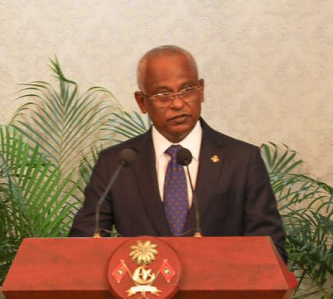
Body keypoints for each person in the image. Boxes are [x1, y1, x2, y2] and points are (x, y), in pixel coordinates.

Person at [69, 45, 286, 259]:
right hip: (143, 291)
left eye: (187, 90)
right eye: (163, 95)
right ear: (142, 102)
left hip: (217, 292)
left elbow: (271, 249)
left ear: (201, 91)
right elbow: (83, 245)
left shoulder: (242, 160)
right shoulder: (115, 164)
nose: (178, 103)